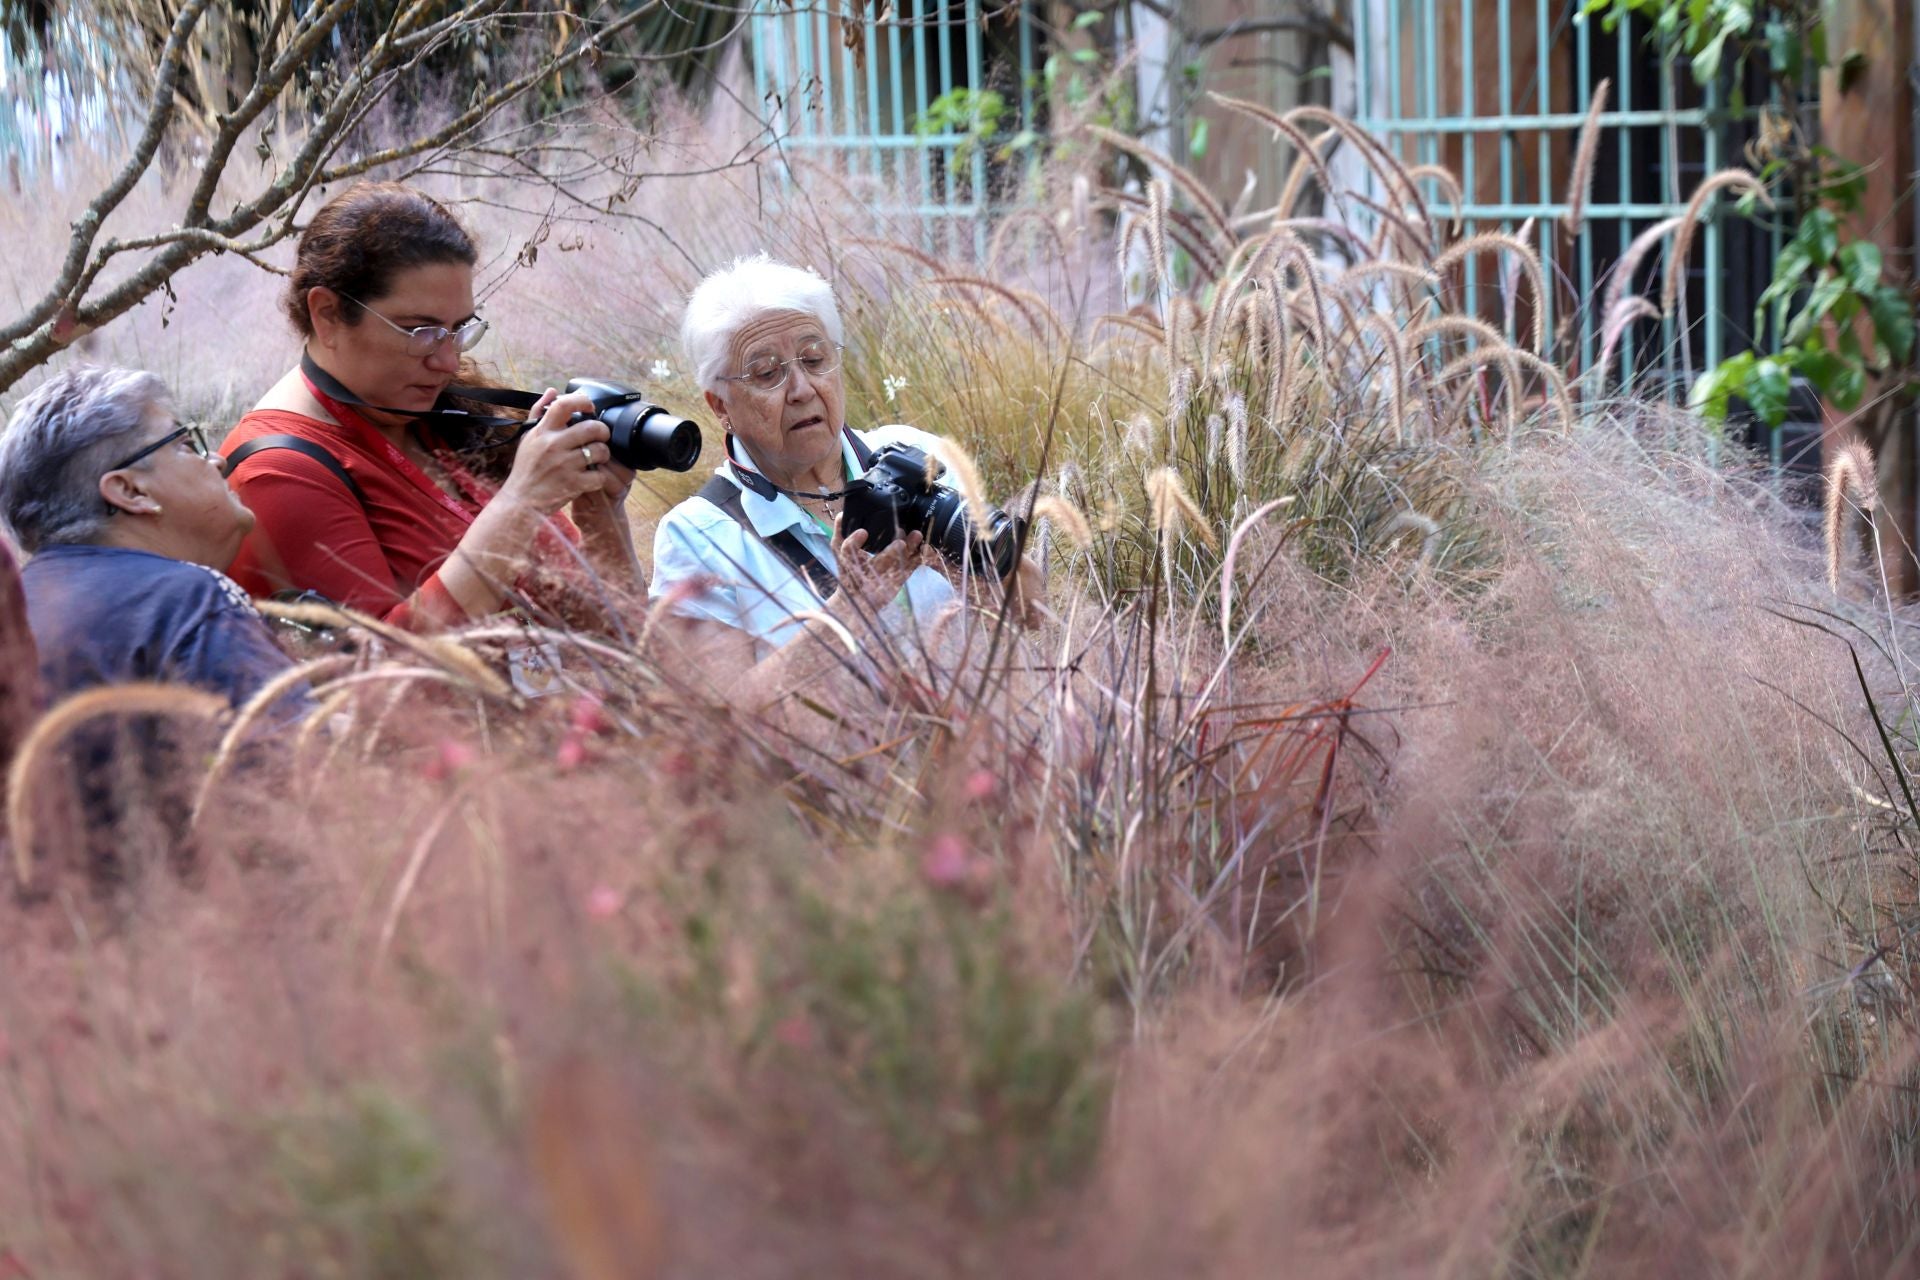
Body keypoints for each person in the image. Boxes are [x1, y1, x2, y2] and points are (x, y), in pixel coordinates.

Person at [221, 182, 637, 633]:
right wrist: (520, 505)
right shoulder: (279, 471)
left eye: (459, 329)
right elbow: (381, 674)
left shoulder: (439, 414)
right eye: (419, 331)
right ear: (327, 314)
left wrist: (600, 513)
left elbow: (620, 637)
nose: (449, 360)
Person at [650, 253, 1040, 671]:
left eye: (815, 360)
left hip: (970, 733)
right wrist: (851, 608)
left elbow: (1033, 617)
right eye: (766, 373)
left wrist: (961, 565)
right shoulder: (698, 537)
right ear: (720, 405)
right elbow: (723, 711)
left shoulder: (914, 451)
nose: (802, 389)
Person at [0, 365, 294, 707]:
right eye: (185, 444)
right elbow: (311, 752)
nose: (216, 460)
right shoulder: (190, 600)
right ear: (130, 490)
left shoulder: (15, 617)